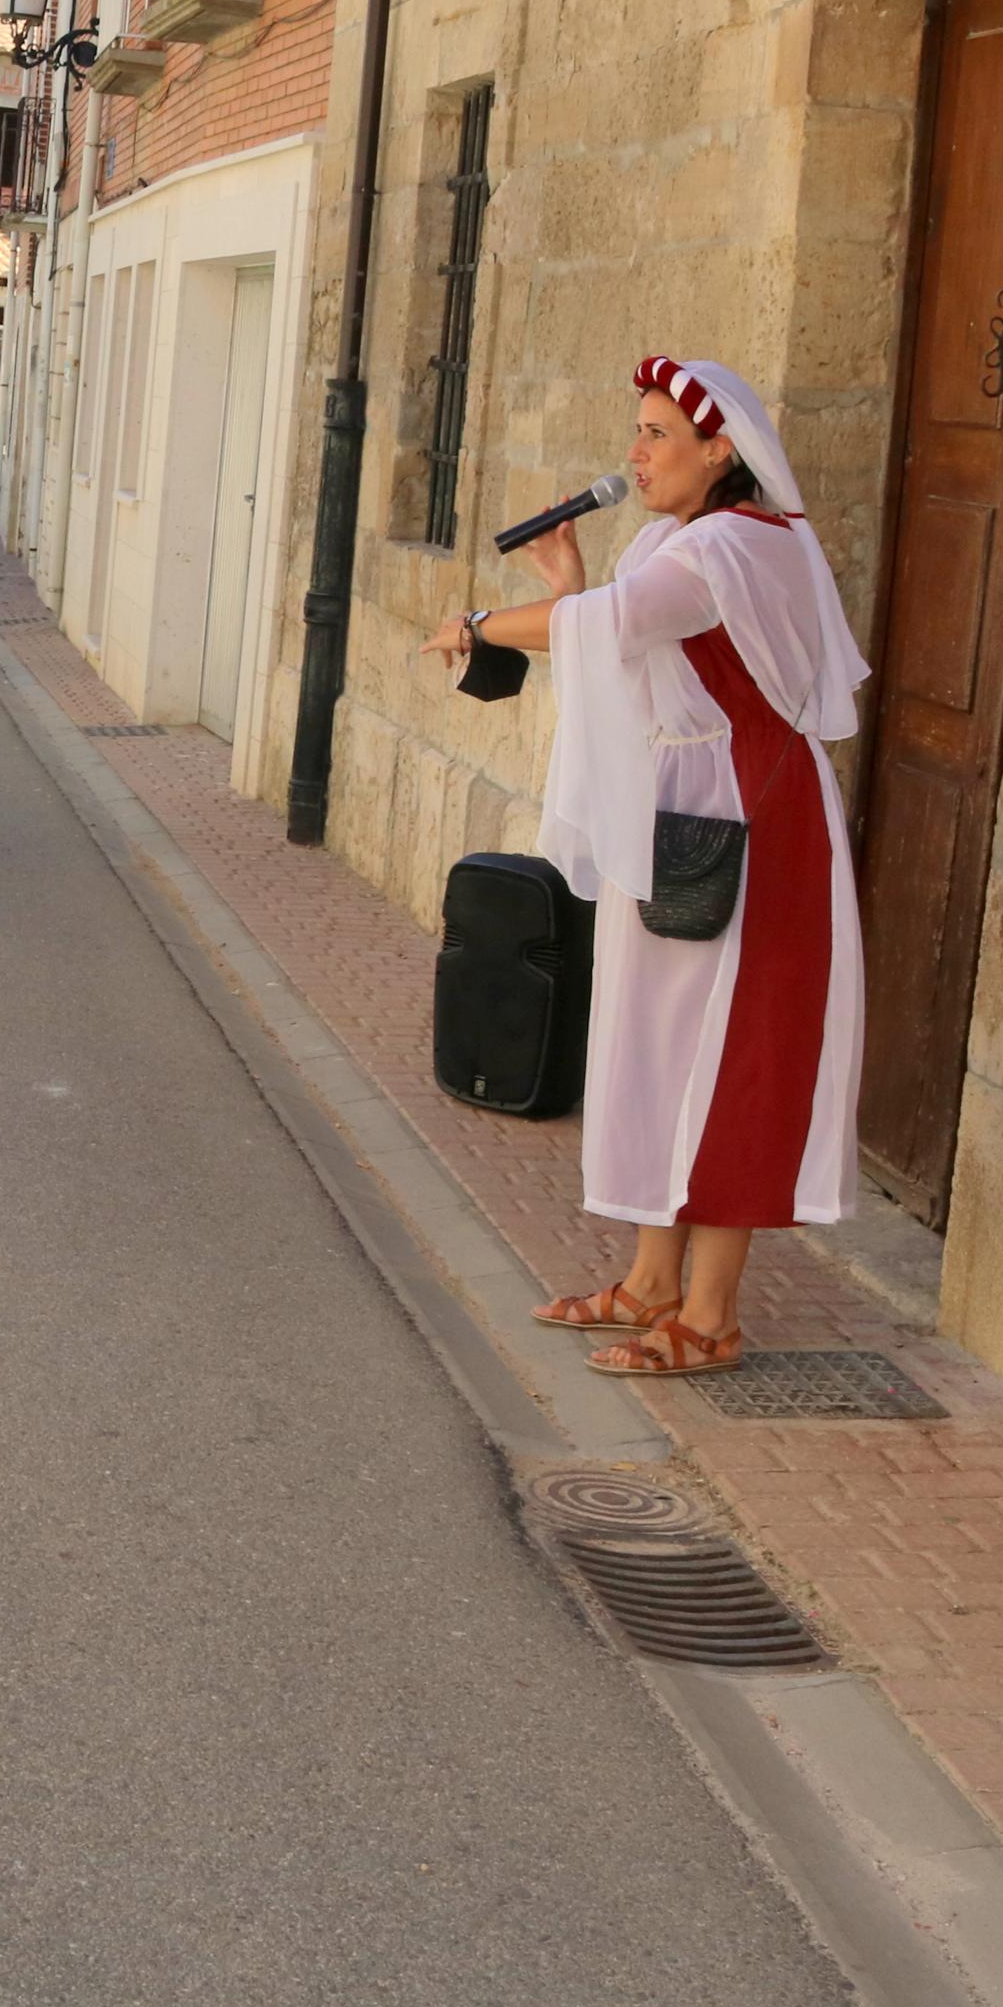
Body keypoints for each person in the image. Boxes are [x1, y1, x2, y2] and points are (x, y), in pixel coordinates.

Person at [419, 355, 870, 1378]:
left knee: (733, 1052)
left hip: (750, 818)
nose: (635, 452)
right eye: (637, 431)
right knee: (660, 1046)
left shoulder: (731, 546)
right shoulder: (684, 539)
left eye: (658, 433)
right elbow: (624, 644)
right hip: (684, 808)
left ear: (721, 450)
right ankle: (651, 1282)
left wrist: (481, 626)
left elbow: (621, 627)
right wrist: (570, 587)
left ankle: (708, 1317)